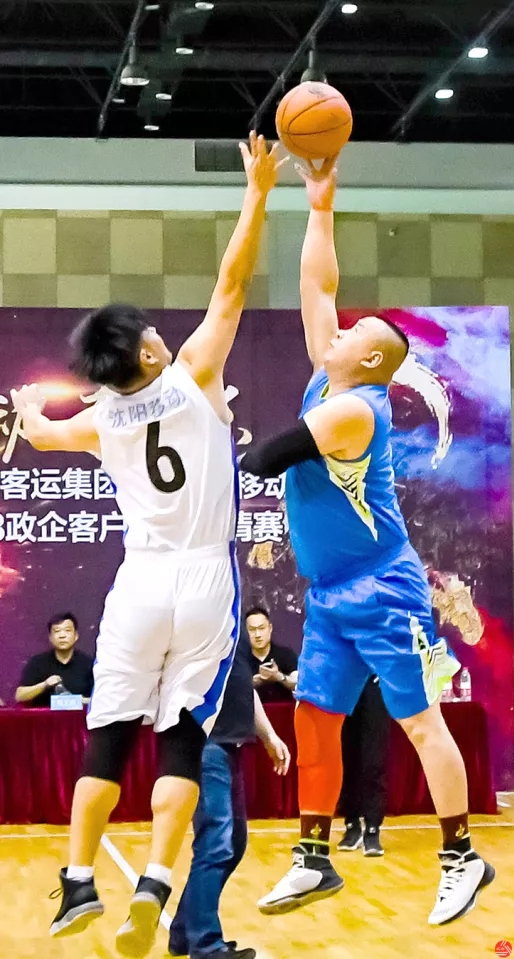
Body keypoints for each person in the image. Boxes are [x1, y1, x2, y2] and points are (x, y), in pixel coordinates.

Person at [12, 132, 284, 957]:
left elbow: (41, 432)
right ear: (153, 349)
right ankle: (157, 883)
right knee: (183, 739)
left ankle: (78, 877)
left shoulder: (99, 417)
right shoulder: (193, 372)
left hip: (137, 583)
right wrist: (257, 193)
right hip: (203, 584)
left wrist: (29, 410)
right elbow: (232, 282)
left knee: (107, 735)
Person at [241, 158, 493, 925]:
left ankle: (462, 857)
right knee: (315, 716)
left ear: (373, 361)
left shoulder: (359, 410)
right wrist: (319, 205)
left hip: (385, 589)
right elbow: (317, 286)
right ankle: (315, 858)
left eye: (354, 334)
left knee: (420, 720)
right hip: (330, 594)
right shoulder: (333, 377)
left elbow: (266, 457)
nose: (339, 331)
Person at [169, 626, 291, 959]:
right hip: (204, 744)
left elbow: (243, 688)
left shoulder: (230, 631)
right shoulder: (192, 627)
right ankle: (206, 944)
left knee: (233, 843)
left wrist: (269, 736)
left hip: (230, 745)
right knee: (215, 842)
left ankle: (183, 933)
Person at [337, 675, 390, 857]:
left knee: (373, 760)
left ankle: (373, 828)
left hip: (374, 687)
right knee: (346, 759)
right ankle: (351, 824)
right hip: (344, 685)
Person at [15, 612, 93, 707]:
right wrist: (45, 685)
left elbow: (101, 699)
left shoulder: (89, 664)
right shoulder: (37, 662)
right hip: (44, 716)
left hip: (79, 716)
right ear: (50, 638)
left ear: (76, 635)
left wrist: (80, 701)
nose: (62, 635)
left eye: (67, 630)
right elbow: (19, 696)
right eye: (57, 631)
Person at [246, 606, 298, 702]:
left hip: (284, 710)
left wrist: (279, 677)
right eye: (252, 629)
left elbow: (298, 683)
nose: (257, 635)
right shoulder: (241, 660)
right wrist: (251, 683)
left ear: (270, 628)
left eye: (261, 628)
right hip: (251, 710)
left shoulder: (286, 655)